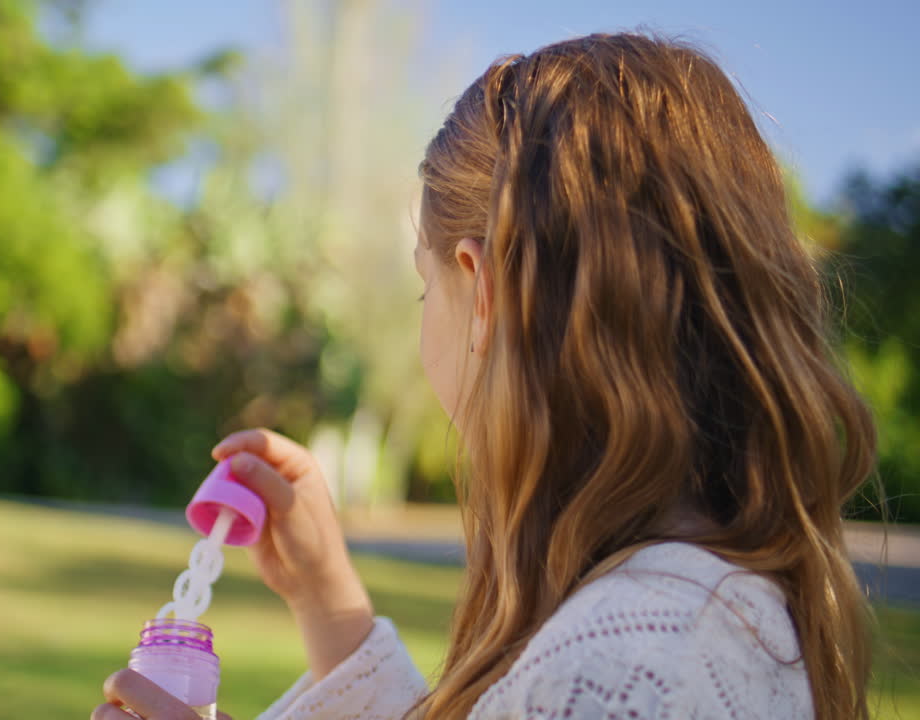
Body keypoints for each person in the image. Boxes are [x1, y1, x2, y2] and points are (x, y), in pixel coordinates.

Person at [93, 32, 877, 720]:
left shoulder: (613, 672)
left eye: (426, 288)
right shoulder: (713, 606)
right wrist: (328, 603)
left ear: (482, 287)